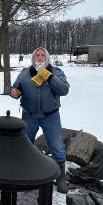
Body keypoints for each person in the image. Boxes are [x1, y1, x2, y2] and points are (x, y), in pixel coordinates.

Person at [10, 47, 70, 193]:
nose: (40, 57)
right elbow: (15, 89)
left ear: (47, 58)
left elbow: (64, 90)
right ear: (33, 58)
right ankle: (26, 173)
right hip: (29, 116)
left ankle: (61, 177)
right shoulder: (25, 74)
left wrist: (48, 76)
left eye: (43, 55)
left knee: (57, 147)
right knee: (25, 146)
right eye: (37, 55)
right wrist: (14, 92)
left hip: (50, 116)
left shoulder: (56, 72)